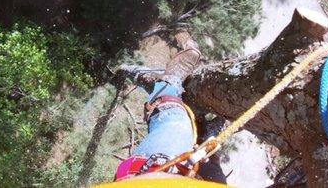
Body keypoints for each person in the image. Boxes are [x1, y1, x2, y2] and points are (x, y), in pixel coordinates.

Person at [95, 33, 228, 187]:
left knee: (175, 123)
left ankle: (166, 92)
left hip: (158, 177)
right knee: (212, 164)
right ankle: (207, 137)